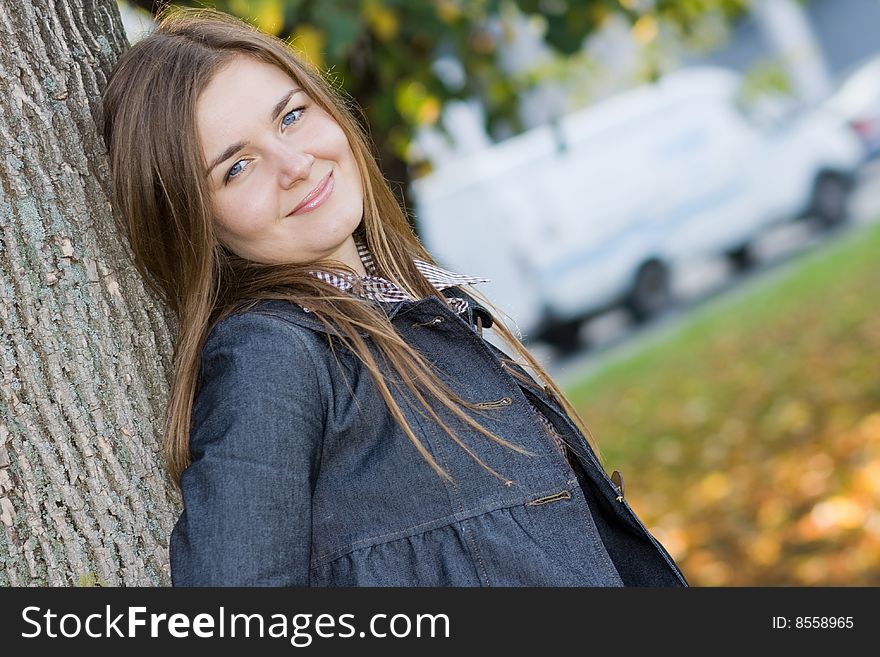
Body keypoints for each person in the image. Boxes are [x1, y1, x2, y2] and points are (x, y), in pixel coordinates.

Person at [101, 7, 688, 587]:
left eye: (291, 117)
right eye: (237, 168)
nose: (295, 164)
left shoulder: (411, 307)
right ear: (192, 220)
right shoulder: (270, 357)